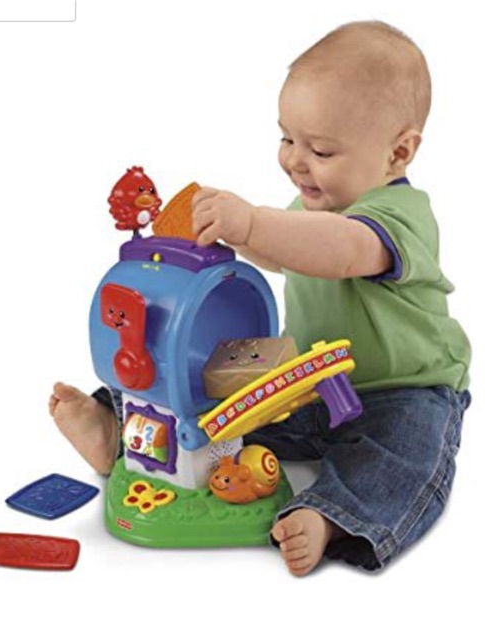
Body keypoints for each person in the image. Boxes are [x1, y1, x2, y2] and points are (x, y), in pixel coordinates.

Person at [50, 20, 471, 576]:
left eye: (320, 149)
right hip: (308, 388)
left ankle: (330, 515)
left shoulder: (401, 217)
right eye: (287, 139)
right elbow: (283, 251)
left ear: (398, 153)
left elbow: (342, 250)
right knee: (219, 412)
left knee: (402, 457)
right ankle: (121, 429)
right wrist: (229, 234)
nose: (295, 160)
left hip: (402, 394)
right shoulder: (308, 211)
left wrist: (252, 222)